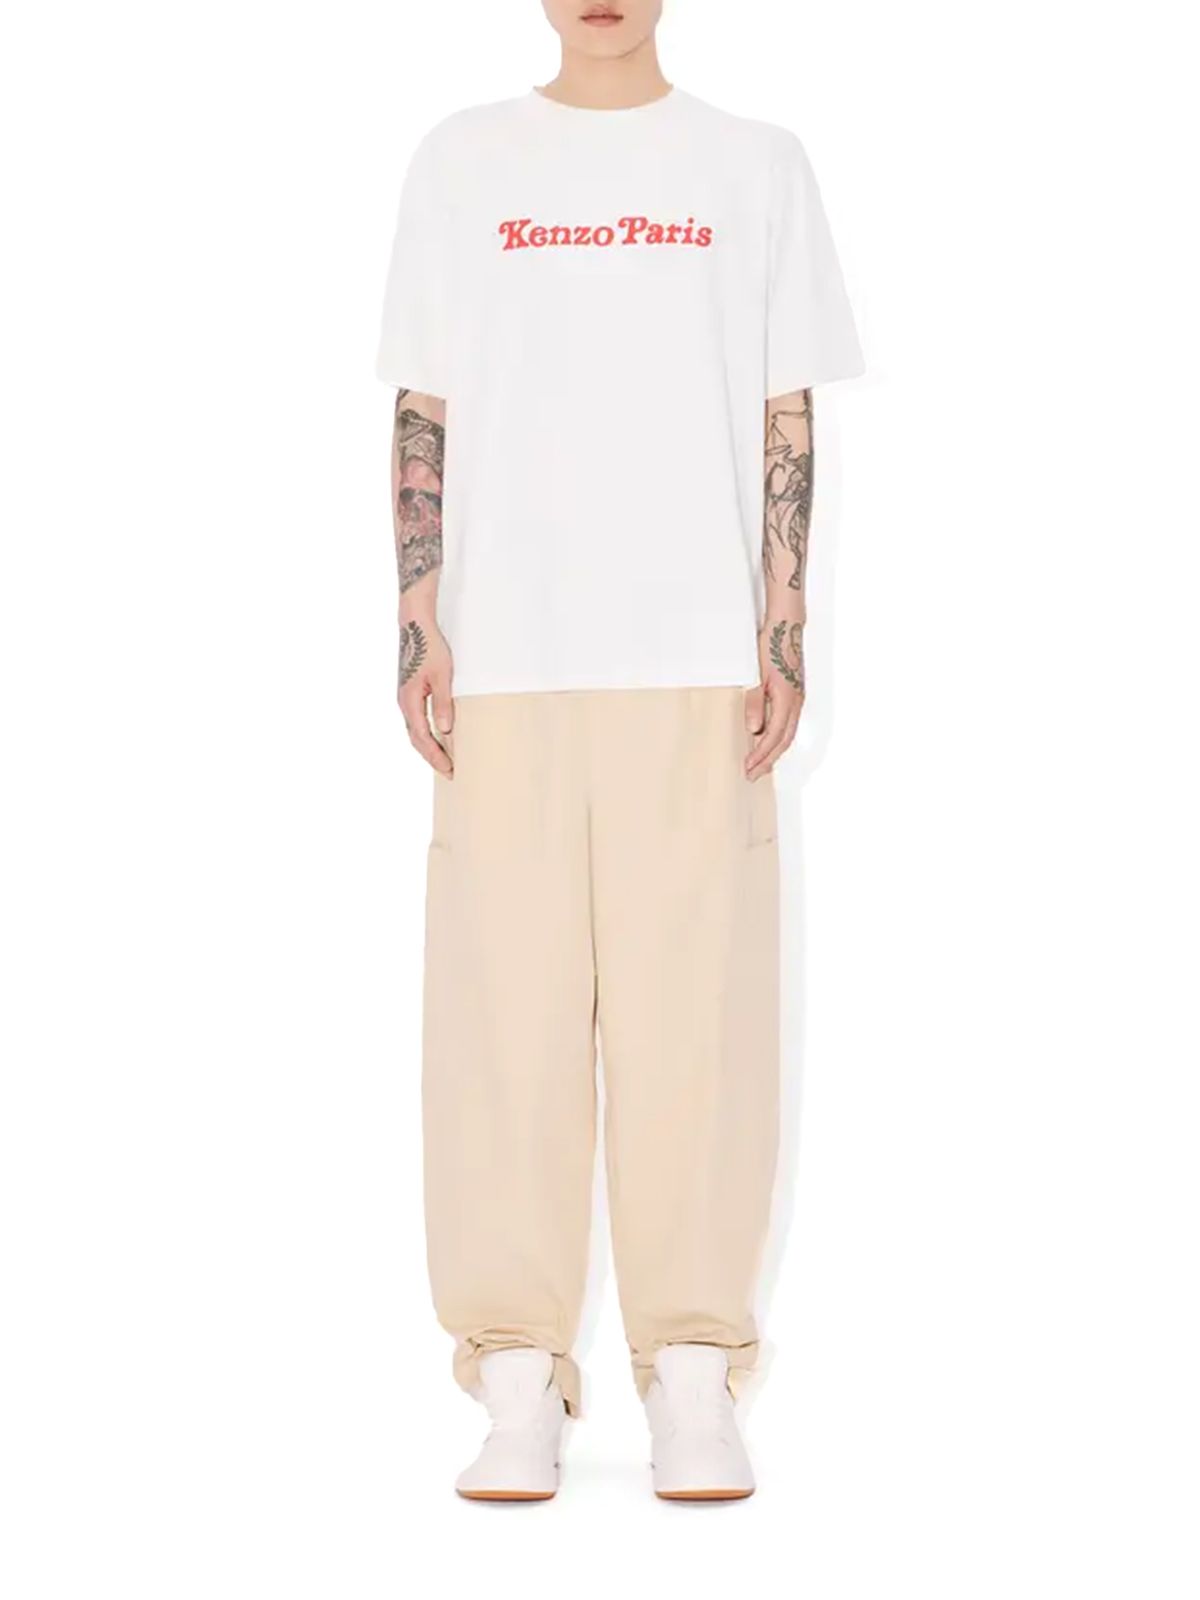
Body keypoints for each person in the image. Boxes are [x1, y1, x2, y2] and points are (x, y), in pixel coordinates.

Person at [376, 0, 862, 1502]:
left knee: (698, 1023)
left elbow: (785, 411)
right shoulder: (463, 160)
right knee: (501, 1025)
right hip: (508, 656)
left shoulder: (754, 164)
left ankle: (694, 1373)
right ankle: (516, 1376)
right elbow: (424, 405)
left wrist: (784, 620)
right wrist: (417, 615)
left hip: (696, 653)